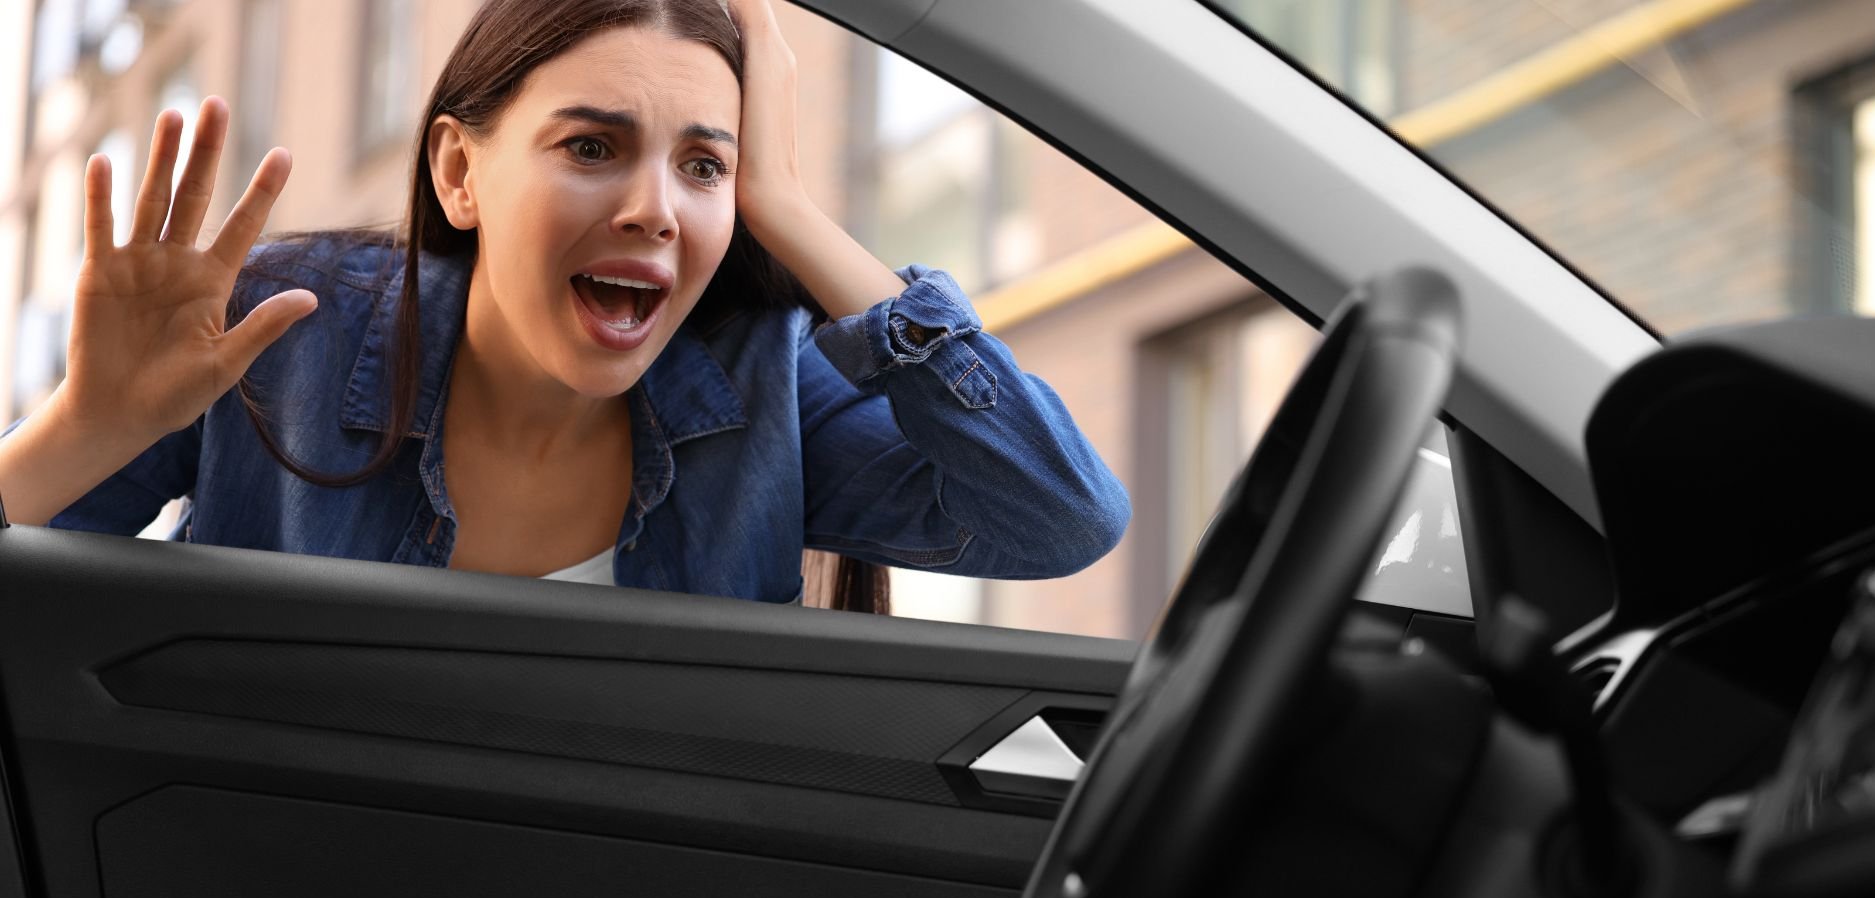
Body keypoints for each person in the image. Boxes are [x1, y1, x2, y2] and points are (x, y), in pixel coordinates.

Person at [0, 0, 1129, 612]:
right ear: (460, 172)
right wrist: (85, 430)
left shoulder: (766, 384)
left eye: (705, 167)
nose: (654, 210)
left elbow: (1061, 518)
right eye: (591, 147)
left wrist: (786, 205)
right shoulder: (277, 332)